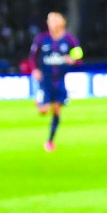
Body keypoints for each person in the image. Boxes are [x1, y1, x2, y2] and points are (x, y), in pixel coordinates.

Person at [28, 12, 83, 152]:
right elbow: (32, 57)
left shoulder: (69, 39)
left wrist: (73, 60)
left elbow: (79, 55)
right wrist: (34, 69)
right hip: (45, 79)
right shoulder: (41, 39)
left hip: (60, 80)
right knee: (44, 111)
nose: (50, 23)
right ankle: (39, 101)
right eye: (49, 21)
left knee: (57, 110)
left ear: (60, 23)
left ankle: (50, 141)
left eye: (52, 20)